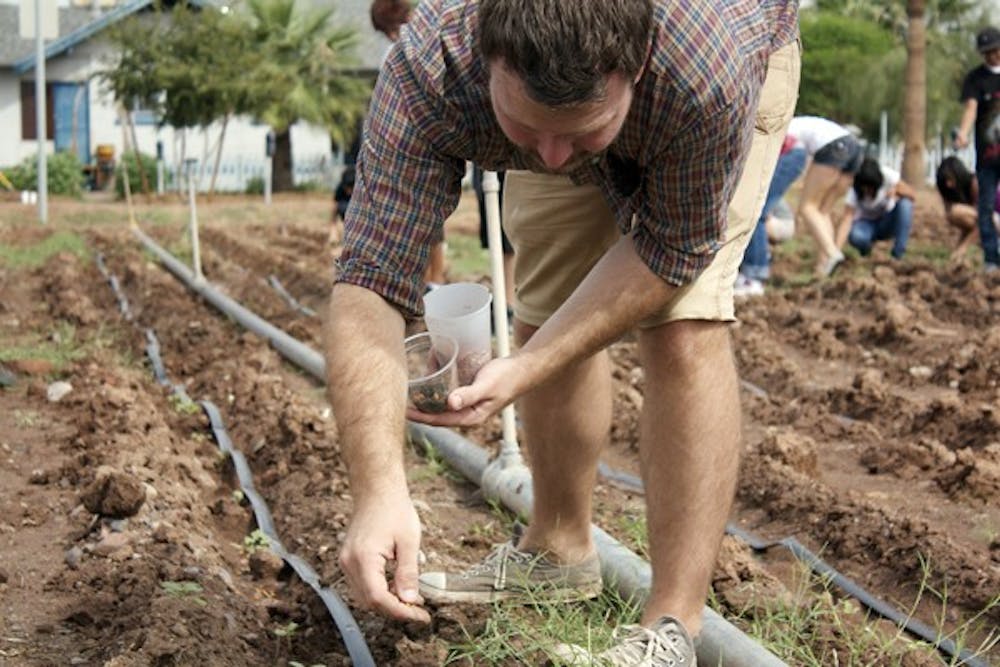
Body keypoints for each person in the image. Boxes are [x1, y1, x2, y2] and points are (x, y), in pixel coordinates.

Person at [324, 1, 799, 664]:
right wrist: (378, 491)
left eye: (581, 133)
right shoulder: (430, 62)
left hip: (713, 79)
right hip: (579, 93)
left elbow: (671, 250)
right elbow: (371, 275)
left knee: (683, 322)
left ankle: (672, 624)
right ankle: (558, 548)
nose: (550, 156)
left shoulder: (705, 73)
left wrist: (524, 368)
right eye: (526, 124)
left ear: (633, 70)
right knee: (548, 298)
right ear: (489, 56)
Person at [369, 0, 448, 287]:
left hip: (415, 148)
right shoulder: (430, 36)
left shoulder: (399, 51)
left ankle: (430, 282)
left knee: (422, 221)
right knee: (428, 221)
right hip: (430, 144)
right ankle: (428, 282)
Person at [787, 116, 865, 278]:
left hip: (833, 148)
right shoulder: (800, 122)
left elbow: (796, 156)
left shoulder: (786, 128)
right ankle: (824, 265)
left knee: (807, 207)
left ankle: (831, 254)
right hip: (853, 148)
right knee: (823, 211)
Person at [735, 133, 808, 296]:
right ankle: (745, 271)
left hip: (788, 153)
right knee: (749, 208)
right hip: (785, 152)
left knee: (755, 210)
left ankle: (754, 276)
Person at [954, 26, 1000, 273]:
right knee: (985, 207)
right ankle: (992, 260)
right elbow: (971, 109)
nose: (992, 56)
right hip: (987, 156)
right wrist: (963, 133)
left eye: (995, 50)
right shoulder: (975, 79)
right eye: (986, 53)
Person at [836, 158, 915, 260]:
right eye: (864, 189)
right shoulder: (853, 189)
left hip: (887, 221)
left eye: (870, 188)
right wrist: (836, 250)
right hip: (865, 224)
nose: (867, 191)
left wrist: (896, 192)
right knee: (856, 236)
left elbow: (912, 195)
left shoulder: (888, 176)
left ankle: (898, 254)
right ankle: (865, 249)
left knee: (906, 204)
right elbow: (847, 219)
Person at [473, 165, 514, 307]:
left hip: (510, 169)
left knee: (508, 237)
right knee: (494, 233)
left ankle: (508, 302)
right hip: (485, 166)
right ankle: (502, 298)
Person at [329, 166, 355, 245]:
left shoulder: (362, 190)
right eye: (347, 188)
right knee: (342, 206)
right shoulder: (340, 188)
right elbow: (334, 206)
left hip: (357, 212)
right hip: (345, 209)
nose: (349, 191)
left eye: (351, 188)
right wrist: (333, 229)